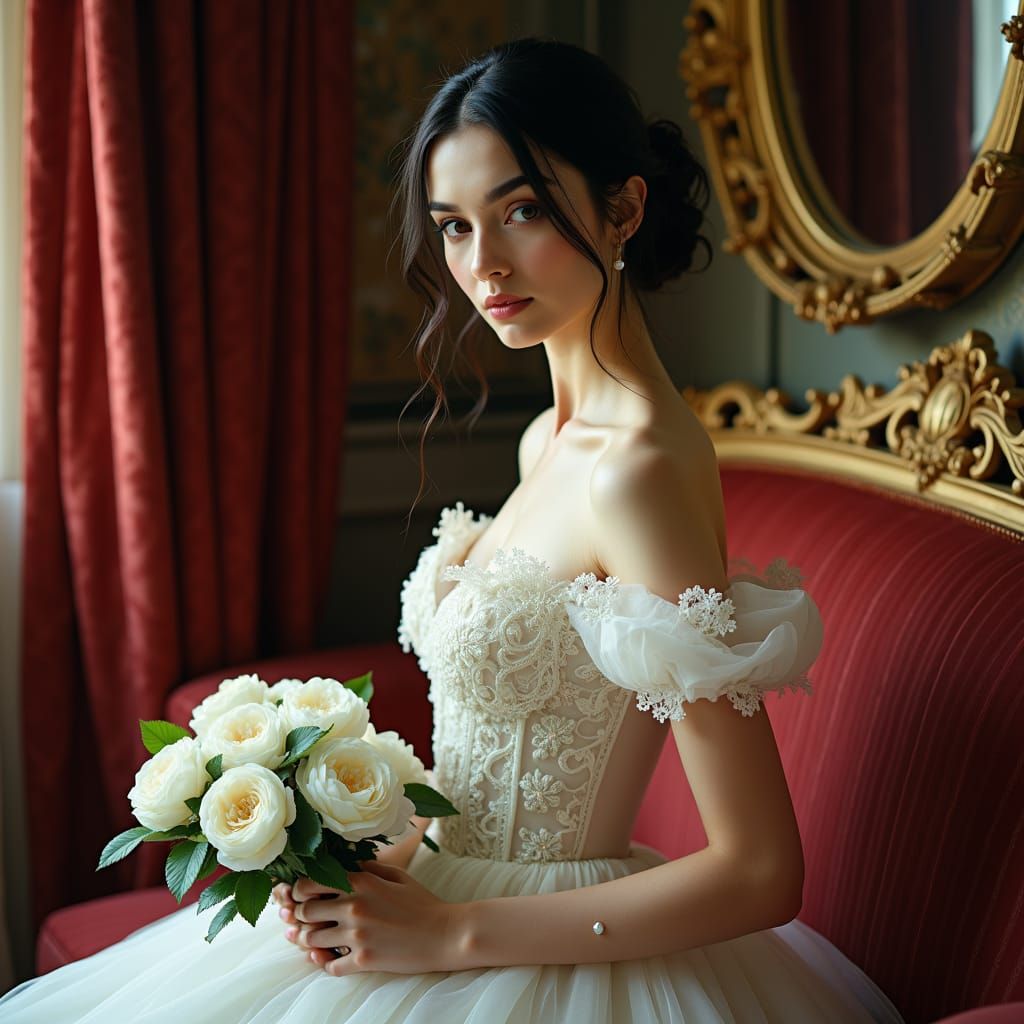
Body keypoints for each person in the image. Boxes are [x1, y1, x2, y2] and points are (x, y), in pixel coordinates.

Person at [0, 37, 904, 1023]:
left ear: (623, 208)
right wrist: (374, 835)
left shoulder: (638, 470)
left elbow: (760, 870)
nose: (483, 266)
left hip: (528, 947)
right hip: (433, 887)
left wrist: (446, 933)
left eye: (519, 211)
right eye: (454, 227)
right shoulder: (544, 440)